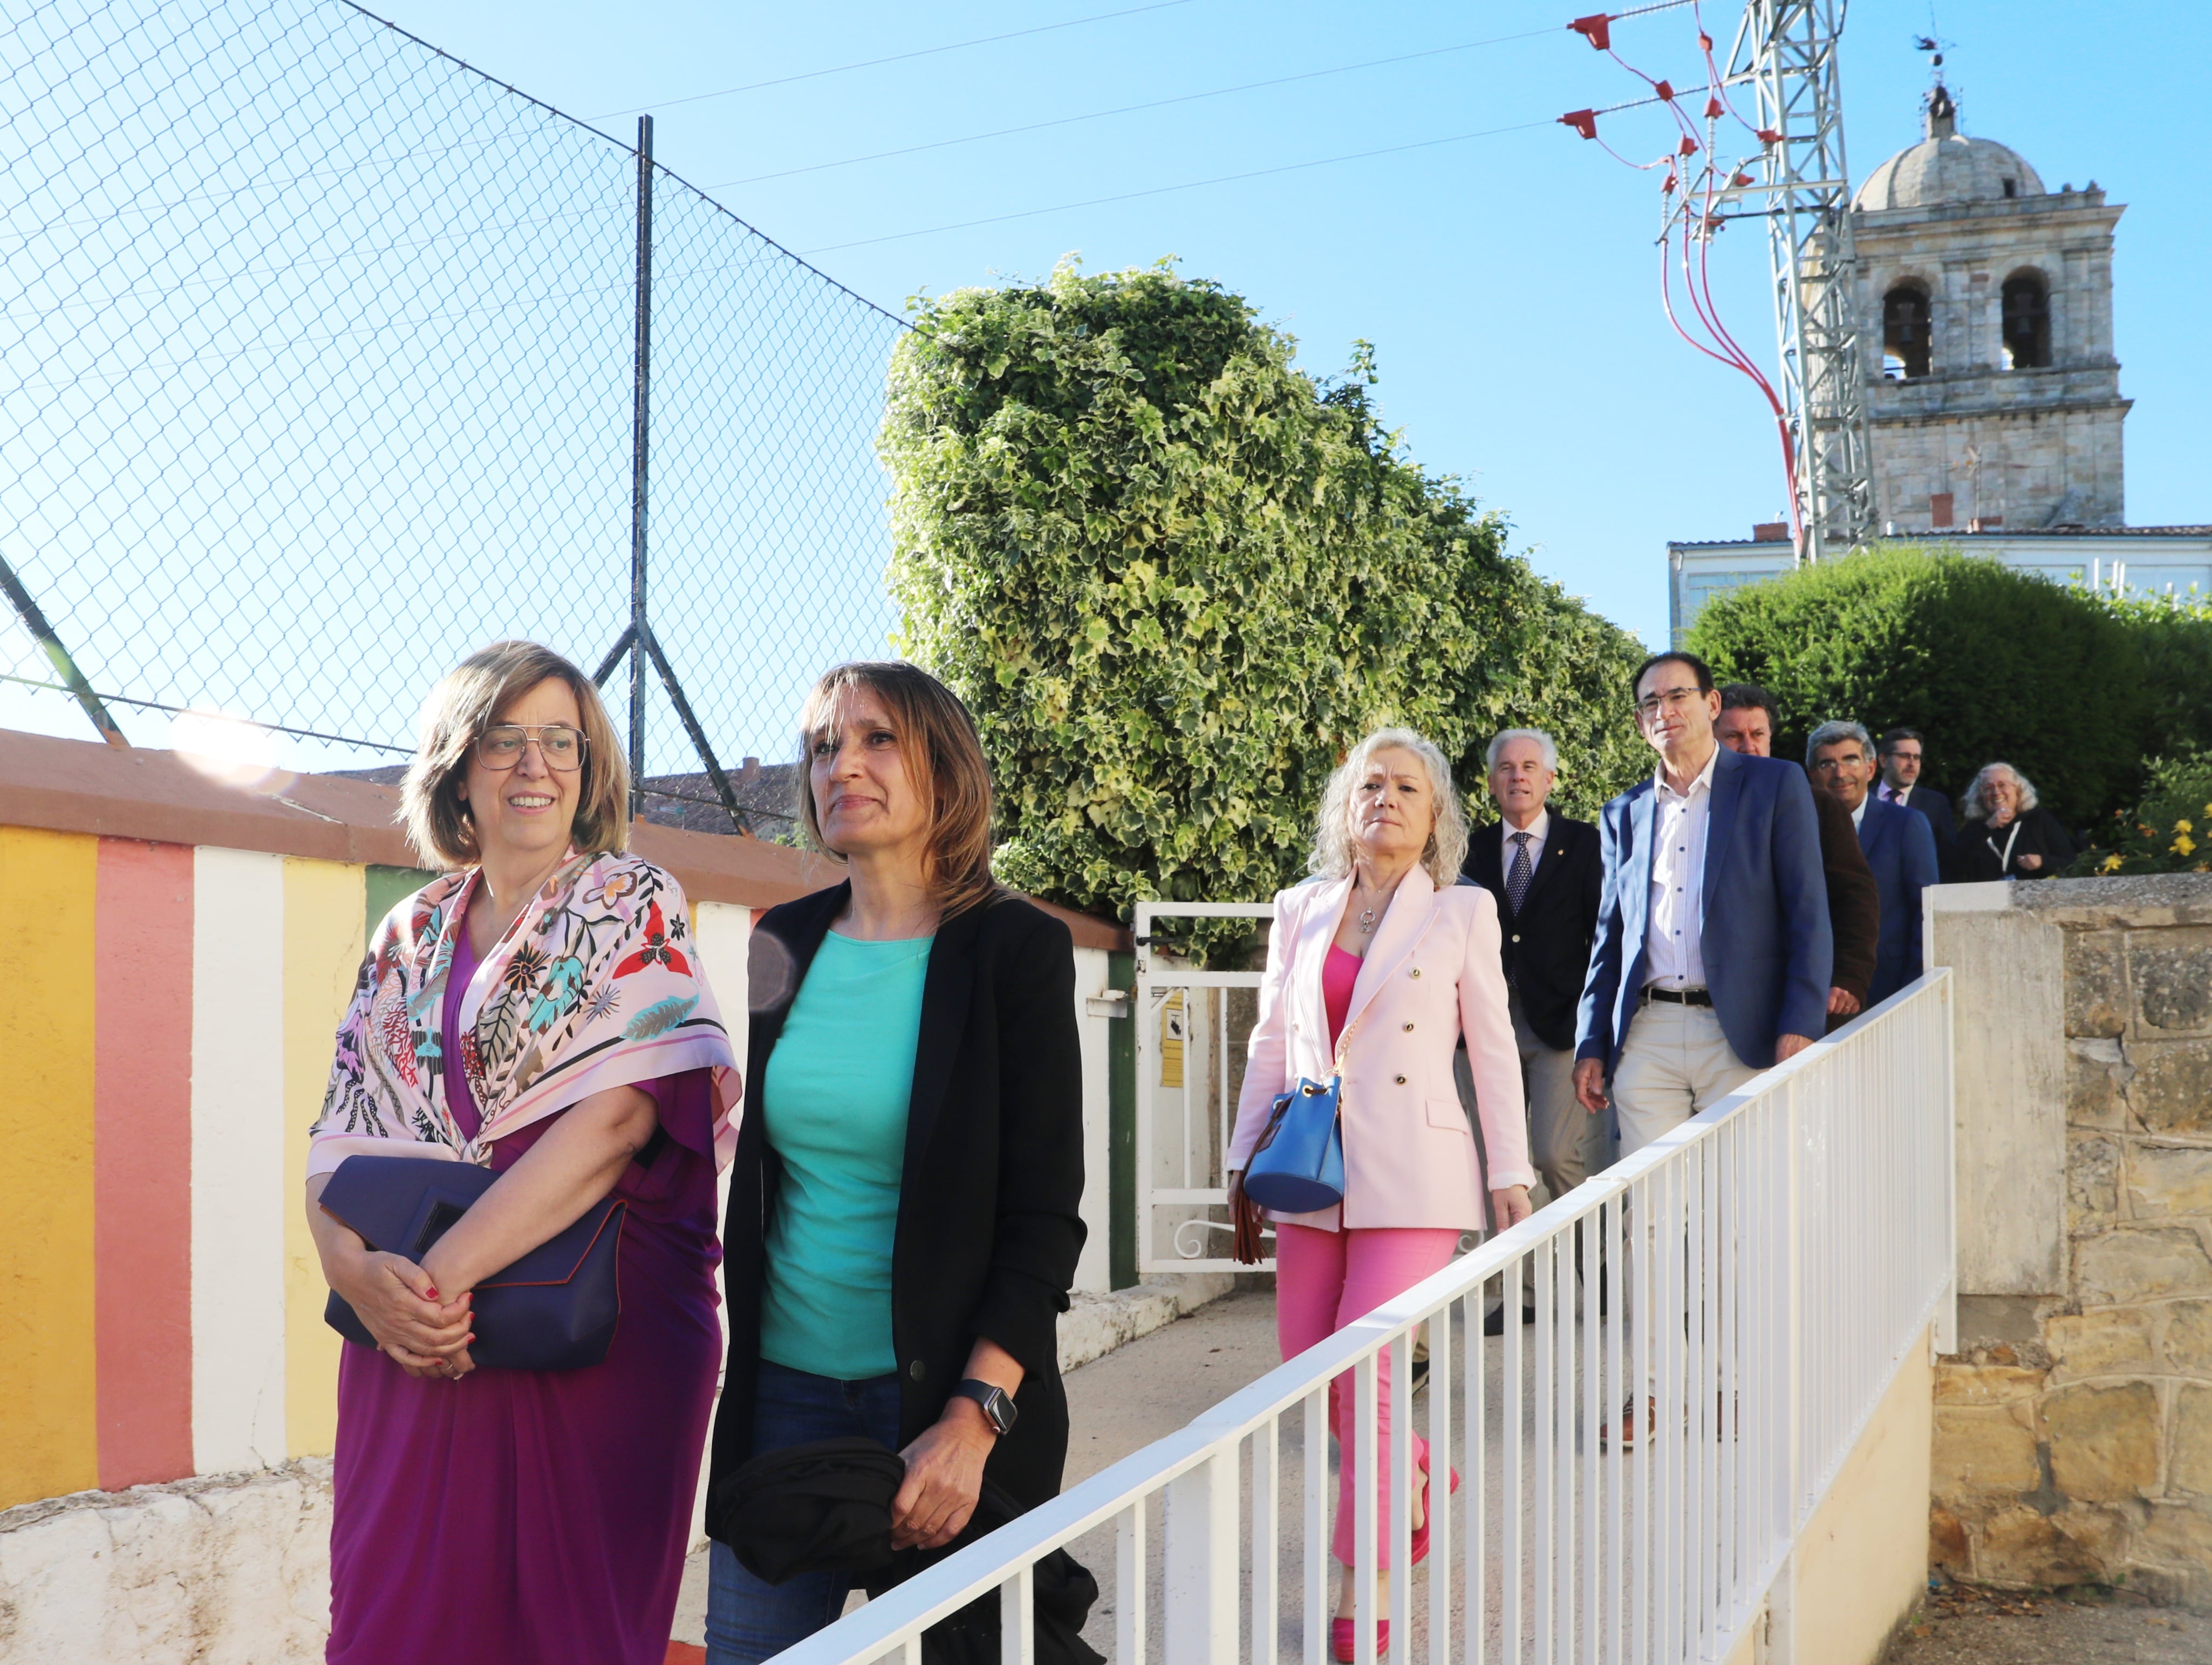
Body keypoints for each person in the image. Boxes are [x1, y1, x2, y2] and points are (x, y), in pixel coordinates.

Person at [306, 640, 742, 1665]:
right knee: (395, 1625)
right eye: (505, 740)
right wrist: (349, 1270)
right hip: (414, 1343)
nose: (535, 765)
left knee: (567, 1635)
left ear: (591, 772)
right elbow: (339, 1132)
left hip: (591, 1330)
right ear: (459, 768)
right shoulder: (408, 931)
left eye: (561, 742)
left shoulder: (631, 901)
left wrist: (428, 1288)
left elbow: (618, 1125)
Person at [704, 662, 1087, 1665]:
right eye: (826, 746)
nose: (844, 764)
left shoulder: (1015, 949)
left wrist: (975, 1417)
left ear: (945, 771)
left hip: (947, 1407)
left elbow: (1044, 1215)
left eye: (878, 740)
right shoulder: (781, 941)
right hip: (783, 1398)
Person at [1226, 727, 1533, 1660]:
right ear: (1344, 805)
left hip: (1416, 1174)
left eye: (1406, 786)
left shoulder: (1462, 913)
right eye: (1370, 785)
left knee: (1369, 1376)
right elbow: (1271, 1044)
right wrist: (1243, 1163)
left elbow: (1492, 1048)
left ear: (1435, 812)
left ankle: (1366, 1601)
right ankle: (1419, 1474)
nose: (1386, 799)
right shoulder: (1301, 907)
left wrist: (1509, 1170)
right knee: (1307, 1371)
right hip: (1312, 1169)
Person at [1576, 653, 1831, 1448]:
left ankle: (1730, 1386)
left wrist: (1799, 1018)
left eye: (1678, 695)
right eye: (1650, 702)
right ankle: (1648, 1394)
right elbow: (1608, 936)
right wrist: (1593, 1037)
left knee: (1732, 1219)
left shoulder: (1774, 785)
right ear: (1641, 719)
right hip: (1649, 1031)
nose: (1665, 711)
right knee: (1646, 1222)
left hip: (1742, 1029)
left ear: (1711, 703)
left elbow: (1808, 909)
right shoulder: (1622, 813)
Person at [1463, 727, 1605, 1332]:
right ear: (1491, 781)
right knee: (1495, 1162)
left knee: (1551, 1153)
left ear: (1550, 778)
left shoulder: (1585, 843)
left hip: (1558, 1025)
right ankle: (1518, 1294)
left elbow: (1606, 935)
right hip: (1482, 1023)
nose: (1516, 776)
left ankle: (1596, 1271)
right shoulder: (1465, 850)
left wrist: (1600, 1025)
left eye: (1528, 766)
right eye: (1505, 767)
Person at [1716, 684, 1878, 1031]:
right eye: (1733, 736)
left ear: (1771, 736)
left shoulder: (1818, 804)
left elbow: (1855, 895)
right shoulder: (1697, 807)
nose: (1749, 746)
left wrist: (1850, 975)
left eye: (1758, 733)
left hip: (1805, 998)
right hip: (1721, 1004)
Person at [1806, 721, 1940, 1006]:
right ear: (1812, 775)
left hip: (1889, 988)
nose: (1840, 773)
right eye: (1827, 764)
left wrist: (1913, 991)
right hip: (1816, 991)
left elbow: (1926, 911)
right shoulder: (1798, 830)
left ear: (1870, 768)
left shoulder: (1907, 825)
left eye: (1850, 760)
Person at [1957, 762, 2076, 882]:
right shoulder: (1974, 828)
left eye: (2002, 785)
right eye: (1988, 788)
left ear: (2018, 789)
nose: (1996, 792)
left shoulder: (2039, 820)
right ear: (1979, 796)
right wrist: (1988, 827)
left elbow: (2070, 863)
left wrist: (2043, 862)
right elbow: (1955, 866)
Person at [1875, 726, 1957, 876]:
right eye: (1904, 756)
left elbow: (1948, 859)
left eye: (1917, 757)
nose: (1912, 764)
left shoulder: (1936, 803)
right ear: (1883, 760)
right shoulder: (1863, 799)